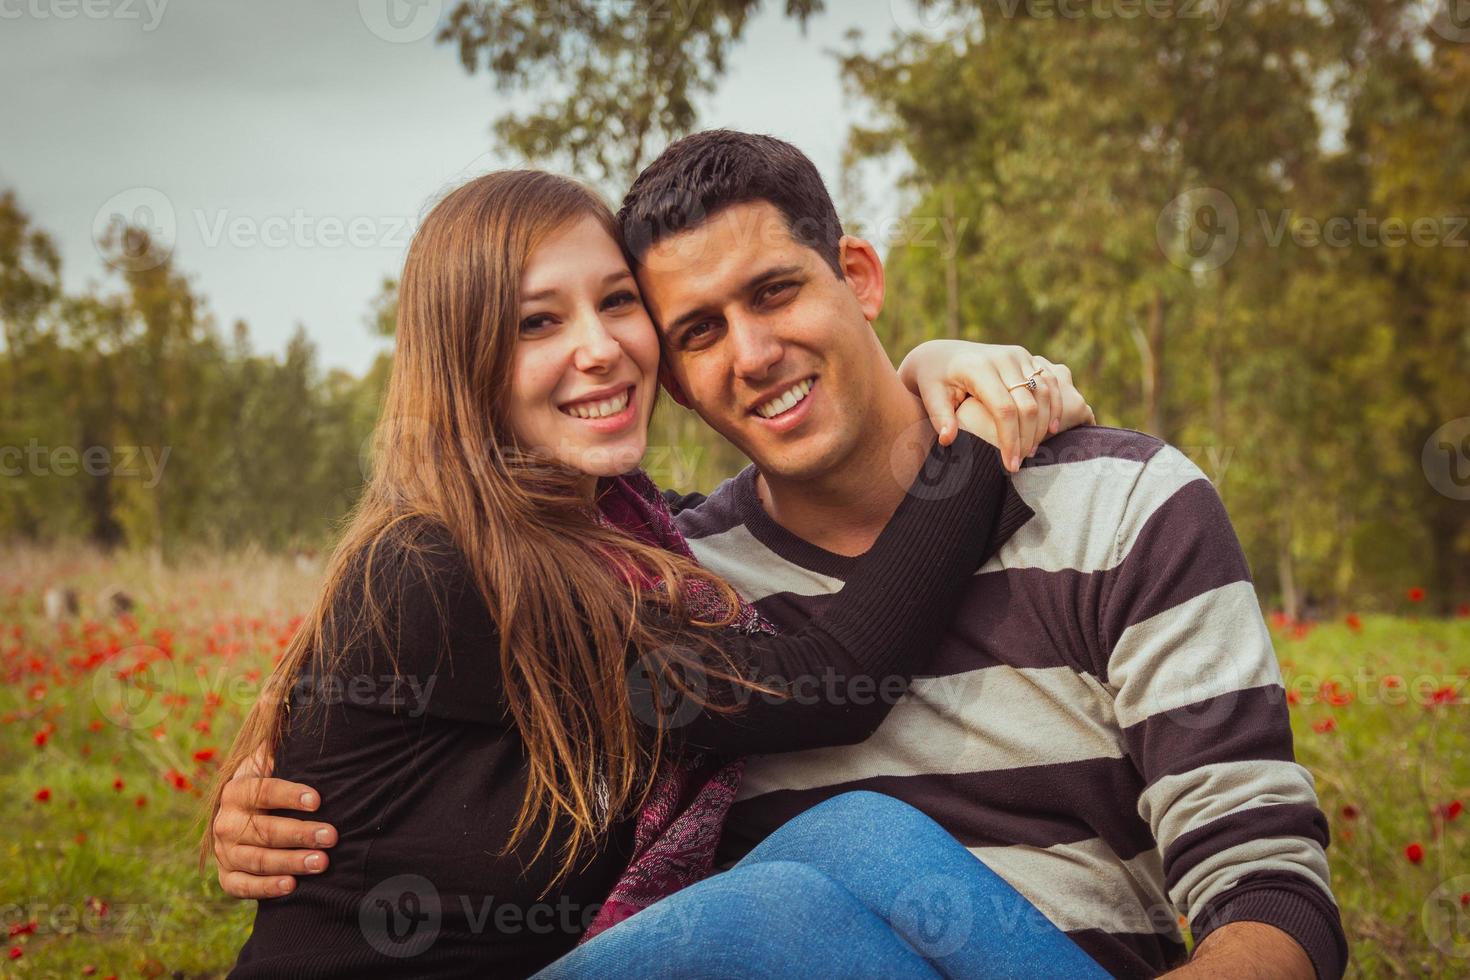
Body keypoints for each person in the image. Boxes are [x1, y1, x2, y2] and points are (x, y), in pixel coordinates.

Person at [220, 130, 1347, 977]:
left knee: (853, 835)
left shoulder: (638, 556)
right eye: (536, 322)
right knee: (777, 910)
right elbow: (828, 674)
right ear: (462, 360)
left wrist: (937, 378)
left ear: (857, 277)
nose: (603, 347)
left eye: (618, 307)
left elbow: (1268, 882)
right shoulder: (522, 571)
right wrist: (979, 442)